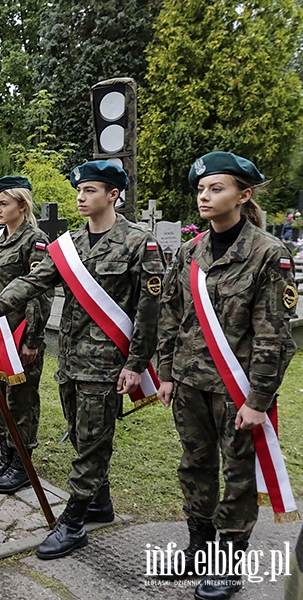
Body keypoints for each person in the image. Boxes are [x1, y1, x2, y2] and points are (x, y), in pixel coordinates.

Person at [0, 160, 165, 560]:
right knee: (81, 434)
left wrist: (137, 363)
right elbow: (32, 281)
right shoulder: (69, 244)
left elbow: (150, 311)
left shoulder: (139, 244)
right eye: (79, 190)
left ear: (113, 194)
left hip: (107, 364)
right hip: (70, 362)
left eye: (90, 190)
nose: (81, 196)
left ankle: (72, 522)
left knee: (91, 442)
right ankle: (100, 503)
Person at [157, 152, 297, 600]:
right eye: (201, 189)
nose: (205, 196)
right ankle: (199, 547)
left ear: (243, 195)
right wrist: (165, 373)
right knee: (194, 465)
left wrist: (257, 400)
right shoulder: (189, 251)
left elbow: (274, 337)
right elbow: (170, 316)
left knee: (238, 473)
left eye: (216, 188)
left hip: (236, 390)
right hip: (189, 383)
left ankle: (227, 561)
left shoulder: (267, 254)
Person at [0, 177, 52, 495]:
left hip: (19, 336)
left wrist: (32, 339)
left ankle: (22, 464)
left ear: (22, 205)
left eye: (4, 204)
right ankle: (7, 456)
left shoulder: (34, 240)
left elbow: (38, 293)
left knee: (20, 401)